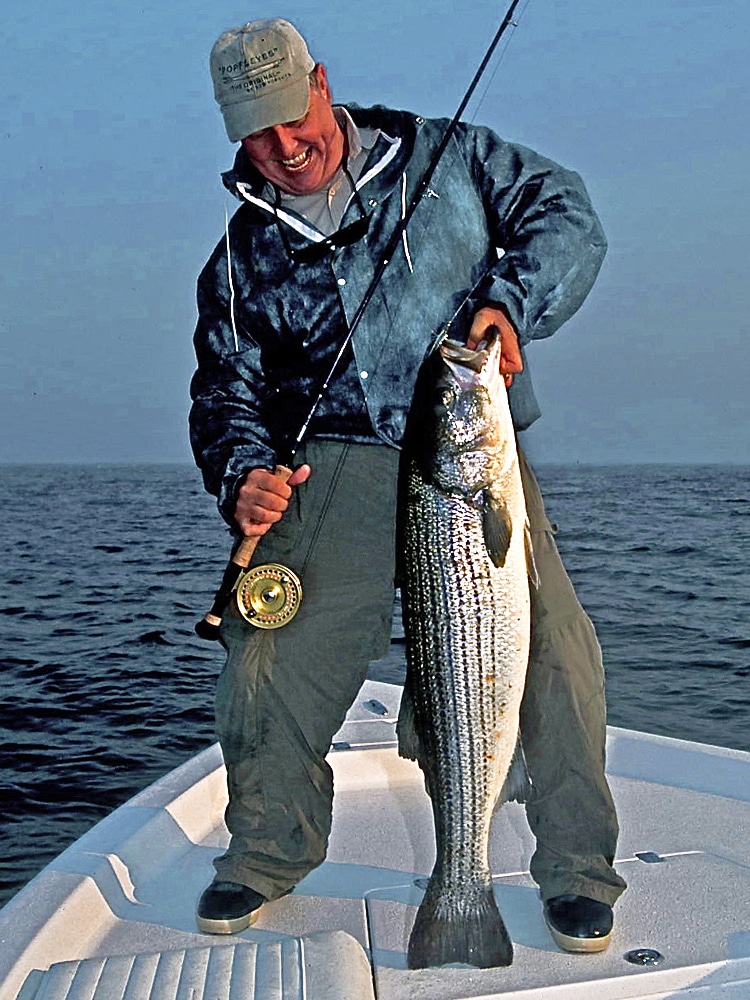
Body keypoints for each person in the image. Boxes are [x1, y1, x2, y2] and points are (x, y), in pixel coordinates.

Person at [189, 17, 627, 951]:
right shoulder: (237, 256)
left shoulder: (451, 157)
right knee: (265, 662)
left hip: (469, 450)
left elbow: (568, 215)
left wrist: (510, 305)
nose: (285, 148)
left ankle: (577, 872)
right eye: (257, 135)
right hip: (329, 464)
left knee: (557, 656)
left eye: (292, 117)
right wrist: (242, 478)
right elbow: (225, 386)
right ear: (235, 133)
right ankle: (265, 855)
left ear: (321, 82)